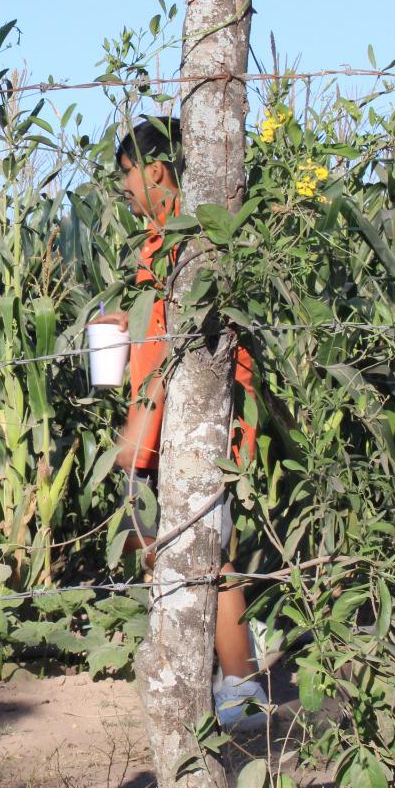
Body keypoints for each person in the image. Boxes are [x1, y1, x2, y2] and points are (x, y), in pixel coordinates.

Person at [90, 114, 269, 733]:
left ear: (156, 170)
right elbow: (158, 323)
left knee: (209, 553)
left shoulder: (187, 244)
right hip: (162, 418)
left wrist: (140, 432)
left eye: (126, 177)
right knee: (166, 546)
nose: (125, 190)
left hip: (187, 423)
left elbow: (182, 343)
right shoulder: (162, 241)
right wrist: (127, 320)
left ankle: (242, 682)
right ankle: (208, 664)